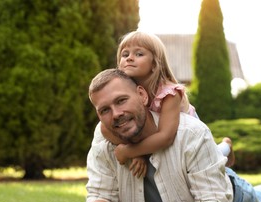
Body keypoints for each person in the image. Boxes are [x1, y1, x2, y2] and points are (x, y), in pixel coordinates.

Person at [86, 68, 261, 202]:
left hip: (231, 190)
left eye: (121, 101)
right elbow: (97, 196)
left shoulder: (192, 133)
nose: (116, 114)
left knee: (258, 199)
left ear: (142, 95)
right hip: (204, 167)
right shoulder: (103, 140)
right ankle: (225, 150)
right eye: (105, 110)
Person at [99, 31, 234, 178]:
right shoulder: (127, 95)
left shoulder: (169, 94)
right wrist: (134, 151)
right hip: (158, 142)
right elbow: (105, 129)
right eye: (125, 55)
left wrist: (130, 152)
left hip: (188, 140)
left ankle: (227, 145)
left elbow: (165, 137)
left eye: (139, 54)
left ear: (155, 63)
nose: (130, 58)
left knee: (214, 157)